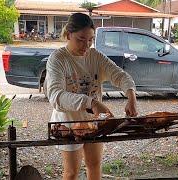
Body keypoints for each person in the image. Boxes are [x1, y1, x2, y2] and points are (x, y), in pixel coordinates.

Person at [45, 13, 138, 180]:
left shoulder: (95, 56)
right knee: (71, 172)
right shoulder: (58, 59)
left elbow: (121, 76)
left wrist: (131, 97)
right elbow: (56, 96)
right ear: (68, 35)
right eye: (80, 39)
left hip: (94, 122)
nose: (86, 45)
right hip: (69, 122)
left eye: (90, 40)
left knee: (94, 165)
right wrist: (92, 103)